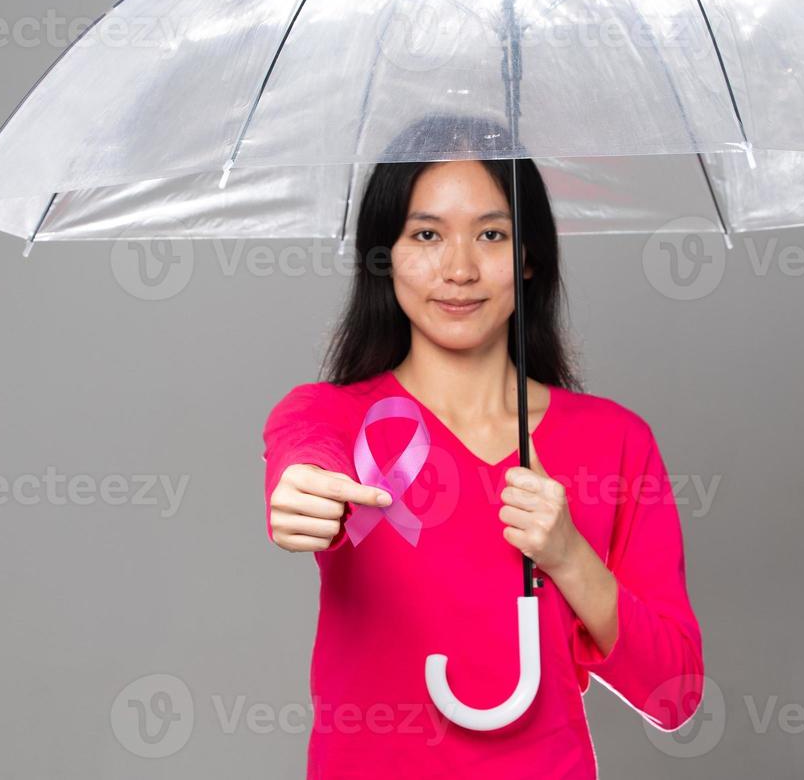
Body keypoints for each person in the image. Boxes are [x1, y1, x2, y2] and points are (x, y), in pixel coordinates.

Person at [261, 113, 703, 778]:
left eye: (491, 234)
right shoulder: (334, 419)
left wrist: (568, 555)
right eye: (427, 234)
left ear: (528, 256)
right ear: (385, 255)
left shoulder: (614, 440)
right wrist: (301, 492)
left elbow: (675, 693)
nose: (460, 268)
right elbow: (304, 455)